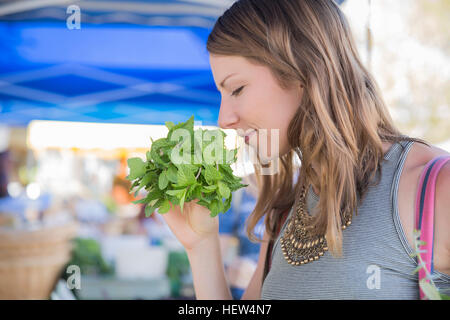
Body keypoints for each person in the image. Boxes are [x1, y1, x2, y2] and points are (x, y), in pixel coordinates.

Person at [161, 0, 450, 299]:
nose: (224, 119)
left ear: (302, 70)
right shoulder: (283, 211)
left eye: (236, 89)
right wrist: (201, 247)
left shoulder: (434, 187)